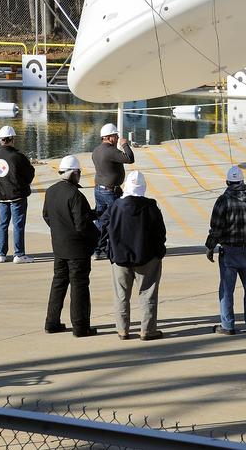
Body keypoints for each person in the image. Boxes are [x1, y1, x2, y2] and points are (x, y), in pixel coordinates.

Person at [205, 166, 246, 335]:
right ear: (242, 181)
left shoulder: (223, 201)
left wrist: (210, 246)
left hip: (229, 252)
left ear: (227, 182)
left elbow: (216, 227)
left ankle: (228, 325)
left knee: (227, 290)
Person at [105, 170, 167, 341]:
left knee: (121, 295)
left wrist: (109, 252)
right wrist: (159, 252)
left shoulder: (116, 206)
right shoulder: (151, 206)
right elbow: (160, 232)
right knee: (147, 294)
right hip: (147, 257)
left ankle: (122, 330)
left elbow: (104, 227)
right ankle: (148, 330)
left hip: (120, 259)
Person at [43, 155, 99, 337]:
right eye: (79, 173)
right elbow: (82, 225)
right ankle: (80, 326)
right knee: (79, 286)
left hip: (59, 247)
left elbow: (47, 216)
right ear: (74, 173)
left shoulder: (51, 191)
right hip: (77, 250)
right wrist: (96, 237)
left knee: (58, 284)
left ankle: (51, 322)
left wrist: (61, 230)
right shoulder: (75, 194)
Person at [0, 125, 36, 263]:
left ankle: (1, 254)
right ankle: (19, 254)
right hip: (17, 195)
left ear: (0, 140)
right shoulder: (18, 156)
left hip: (1, 196)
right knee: (18, 225)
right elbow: (29, 174)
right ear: (12, 139)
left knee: (3, 224)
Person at [91, 122, 135, 261]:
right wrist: (125, 145)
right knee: (117, 219)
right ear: (109, 137)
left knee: (101, 220)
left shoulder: (96, 151)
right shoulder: (111, 151)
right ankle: (115, 248)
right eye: (115, 136)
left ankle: (98, 249)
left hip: (99, 190)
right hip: (110, 192)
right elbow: (130, 158)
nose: (117, 138)